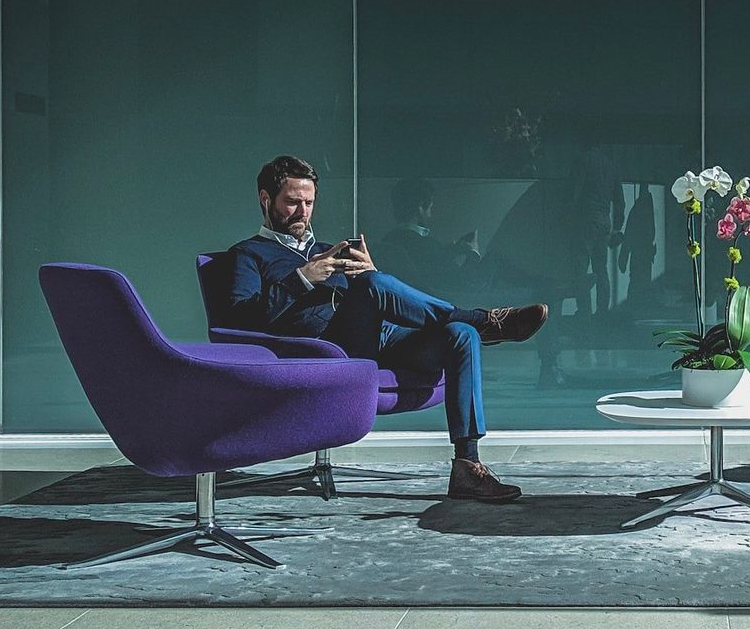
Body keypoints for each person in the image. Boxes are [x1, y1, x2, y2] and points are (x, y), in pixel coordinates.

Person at [224, 155, 547, 502]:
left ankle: (467, 466)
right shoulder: (248, 255)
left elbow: (374, 299)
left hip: (383, 337)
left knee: (459, 335)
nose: (303, 212)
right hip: (330, 350)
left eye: (309, 202)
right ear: (265, 200)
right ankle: (484, 321)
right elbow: (238, 319)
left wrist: (368, 272)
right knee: (377, 286)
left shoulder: (325, 250)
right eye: (292, 202)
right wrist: (302, 278)